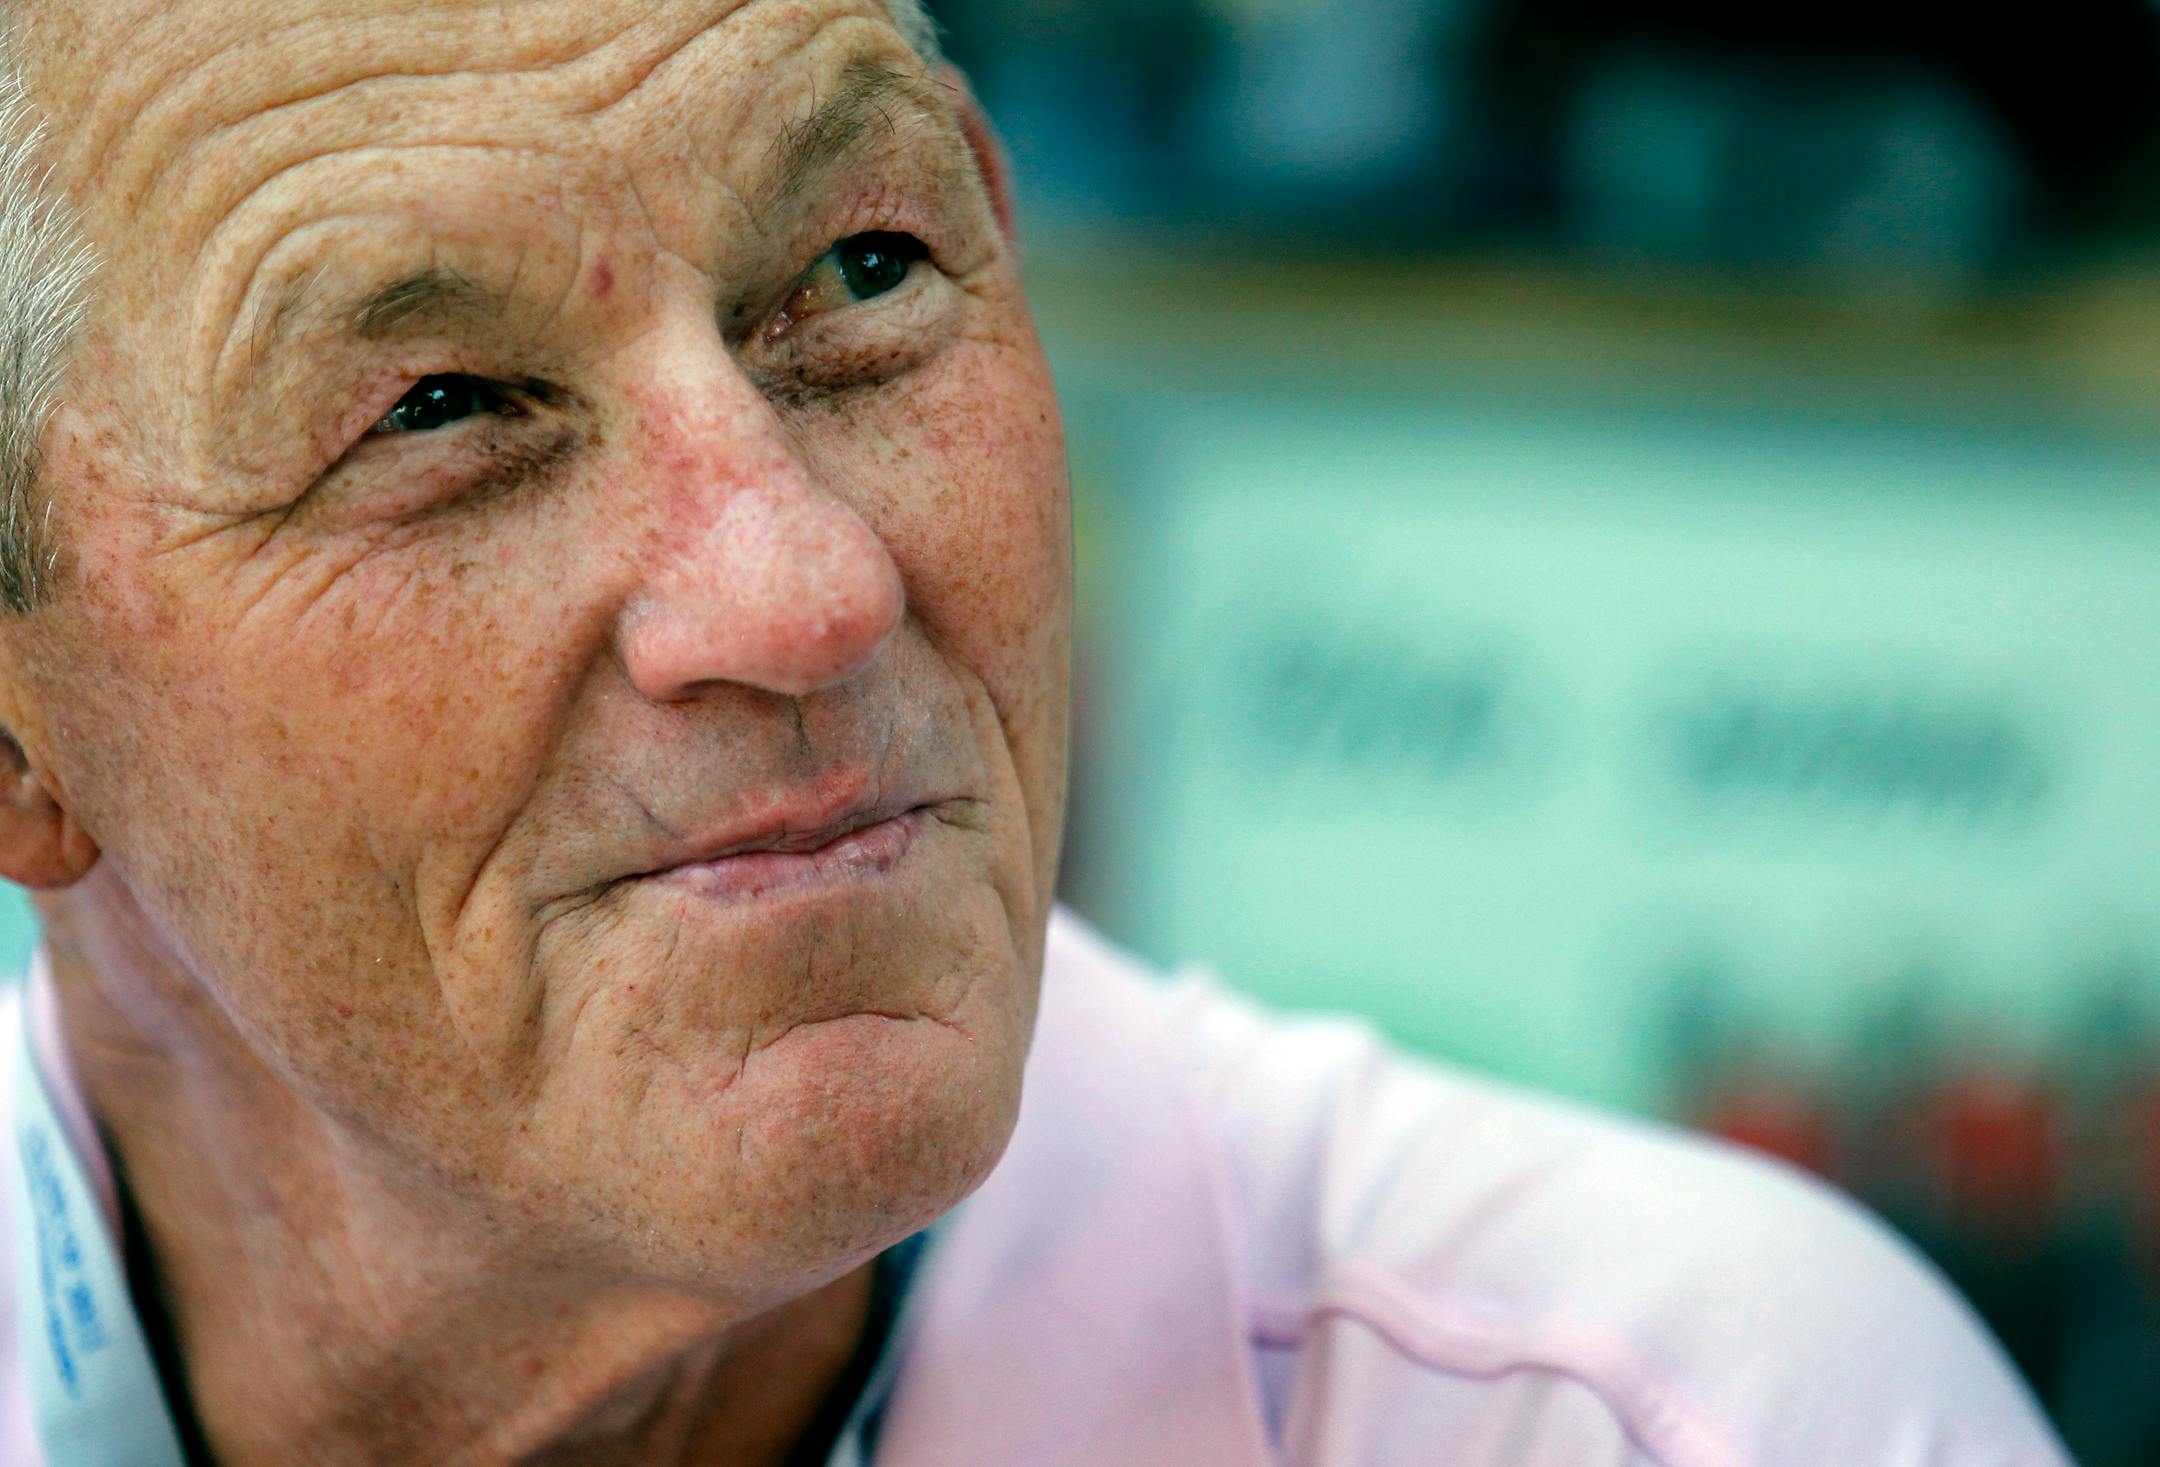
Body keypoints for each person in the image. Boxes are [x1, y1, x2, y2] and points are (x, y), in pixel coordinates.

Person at [0, 0, 2077, 1462]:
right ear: (24, 745)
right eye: (441, 412)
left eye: (865, 267)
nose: (804, 584)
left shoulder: (1711, 1417)